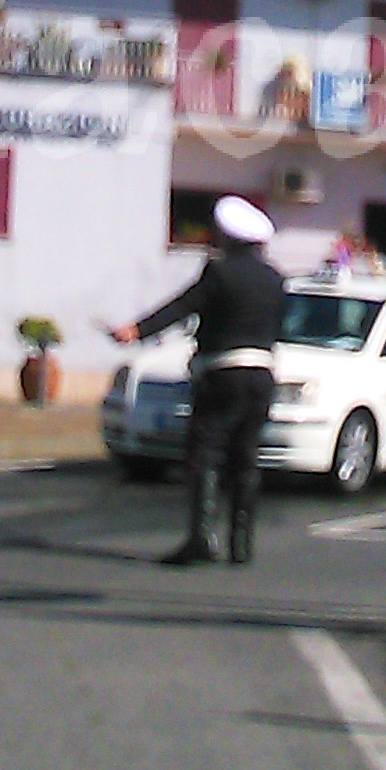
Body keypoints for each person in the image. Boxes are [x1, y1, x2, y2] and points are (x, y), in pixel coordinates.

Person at [112, 195, 284, 568]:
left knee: (204, 452)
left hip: (224, 372)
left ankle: (202, 539)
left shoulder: (220, 273)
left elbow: (184, 306)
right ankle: (242, 544)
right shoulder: (274, 279)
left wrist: (137, 329)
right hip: (262, 373)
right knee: (246, 457)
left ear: (228, 237)